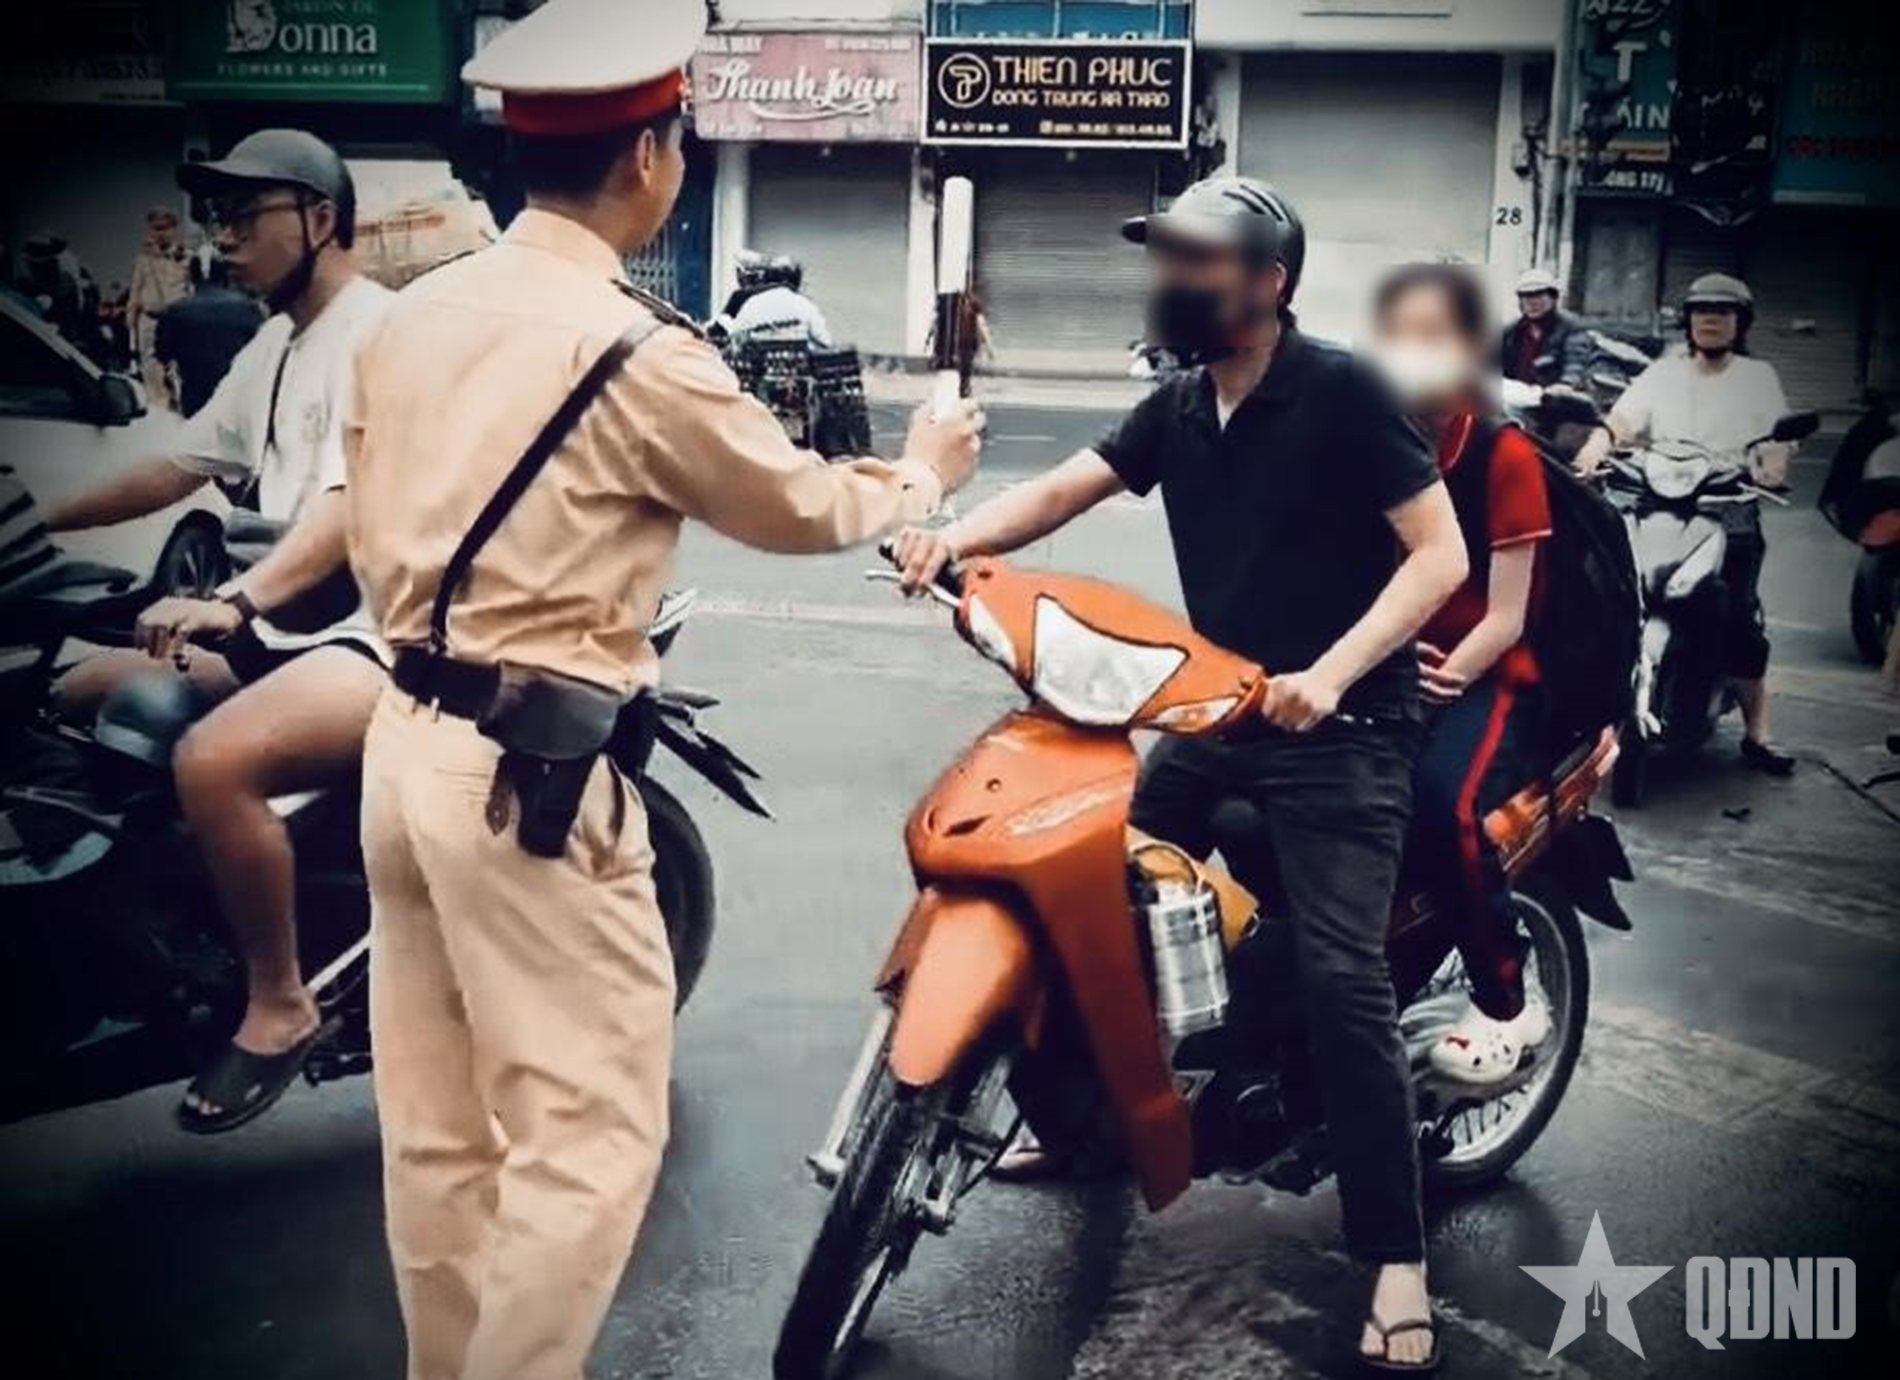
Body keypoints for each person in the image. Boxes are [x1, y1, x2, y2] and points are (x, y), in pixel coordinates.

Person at [343, 3, 981, 1377]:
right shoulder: (635, 350)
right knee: (585, 1136)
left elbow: (358, 503)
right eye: (678, 139)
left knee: (439, 1133)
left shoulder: (410, 317)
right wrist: (922, 474)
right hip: (526, 774)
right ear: (647, 157)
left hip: (398, 744)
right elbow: (797, 505)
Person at [897, 174, 1467, 1373]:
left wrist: (1331, 673)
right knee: (1076, 891)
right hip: (1220, 710)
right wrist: (954, 539)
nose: (1171, 281)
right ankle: (1088, 1126)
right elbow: (1068, 487)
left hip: (1347, 730)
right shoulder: (1182, 404)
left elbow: (1438, 556)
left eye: (1197, 262)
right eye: (1166, 261)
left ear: (1267, 281)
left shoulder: (1343, 390)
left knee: (1341, 979)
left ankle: (1395, 1256)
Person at [44, 128, 392, 1131]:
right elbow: (176, 465)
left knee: (213, 761)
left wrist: (234, 602)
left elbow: (345, 508)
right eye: (217, 217)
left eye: (245, 215)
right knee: (74, 692)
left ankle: (280, 1003)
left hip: (373, 633)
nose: (223, 238)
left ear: (320, 219)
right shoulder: (276, 344)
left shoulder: (379, 335)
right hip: (290, 629)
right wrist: (35, 519)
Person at [1370, 263, 1554, 1084]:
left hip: (1486, 675)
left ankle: (1506, 997)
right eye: (1400, 335)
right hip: (1385, 661)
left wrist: (1441, 675)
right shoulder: (1370, 439)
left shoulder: (1501, 452)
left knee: (1445, 809)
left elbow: (1506, 617)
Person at [1577, 272, 1796, 774]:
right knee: (1606, 596)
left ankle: (1758, 732)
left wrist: (1774, 461)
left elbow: (1778, 437)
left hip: (1728, 507)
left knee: (1737, 620)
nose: (1710, 319)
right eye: (1701, 311)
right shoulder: (1664, 373)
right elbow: (1621, 421)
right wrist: (1596, 446)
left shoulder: (1757, 376)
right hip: (1658, 505)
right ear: (1688, 320)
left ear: (1741, 322)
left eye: (1722, 311)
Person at [155, 247, 266, 416]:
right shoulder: (249, 308)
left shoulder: (175, 312)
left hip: (197, 403)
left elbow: (163, 354)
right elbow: (265, 352)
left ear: (192, 276)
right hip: (241, 401)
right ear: (225, 275)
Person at [129, 204, 193, 408]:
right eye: (156, 228)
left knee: (180, 371)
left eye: (165, 227)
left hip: (178, 321)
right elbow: (135, 292)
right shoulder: (143, 260)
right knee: (152, 375)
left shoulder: (186, 258)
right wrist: (131, 325)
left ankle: (181, 410)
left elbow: (191, 290)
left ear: (174, 229)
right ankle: (159, 412)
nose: (161, 233)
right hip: (150, 323)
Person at [1499, 266, 1585, 389]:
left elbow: (1576, 361)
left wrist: (1567, 383)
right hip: (1516, 394)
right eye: (1526, 296)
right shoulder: (1511, 331)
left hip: (1552, 395)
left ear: (1553, 298)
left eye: (1538, 296)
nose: (1532, 303)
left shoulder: (1571, 327)